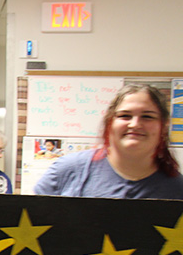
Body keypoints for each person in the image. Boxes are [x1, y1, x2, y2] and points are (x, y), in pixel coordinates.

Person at [34, 84, 183, 199]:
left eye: (147, 116)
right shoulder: (66, 171)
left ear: (163, 126)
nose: (135, 124)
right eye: (125, 116)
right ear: (109, 122)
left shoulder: (178, 190)